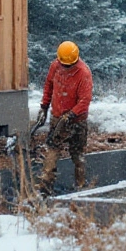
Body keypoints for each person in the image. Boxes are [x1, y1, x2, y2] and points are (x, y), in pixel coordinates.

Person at [37, 40, 93, 195]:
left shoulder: (83, 73)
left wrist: (71, 115)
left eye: (68, 65)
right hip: (57, 118)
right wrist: (44, 106)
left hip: (77, 121)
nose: (65, 67)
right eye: (63, 64)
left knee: (78, 155)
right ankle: (45, 188)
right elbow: (49, 85)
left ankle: (81, 189)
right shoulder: (55, 66)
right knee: (52, 150)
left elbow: (85, 100)